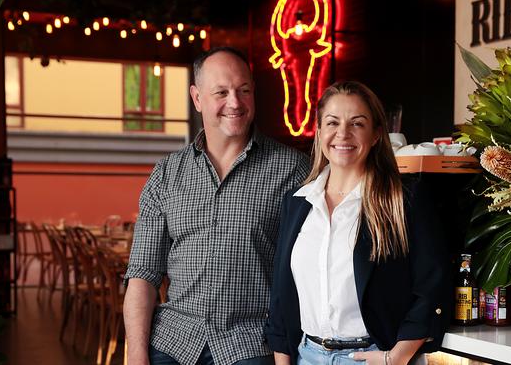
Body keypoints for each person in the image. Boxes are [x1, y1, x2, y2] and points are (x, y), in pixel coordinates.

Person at [123, 47, 310, 365]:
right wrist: (137, 356)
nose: (235, 103)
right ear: (197, 98)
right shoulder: (166, 174)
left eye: (244, 91)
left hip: (252, 343)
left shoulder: (295, 171)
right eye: (221, 92)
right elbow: (143, 274)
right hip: (174, 339)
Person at [265, 81, 449, 365]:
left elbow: (431, 287)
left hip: (371, 357)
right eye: (332, 122)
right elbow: (280, 297)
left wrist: (395, 358)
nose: (343, 134)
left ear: (376, 134)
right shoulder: (297, 202)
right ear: (319, 130)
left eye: (357, 124)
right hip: (307, 356)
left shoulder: (404, 199)